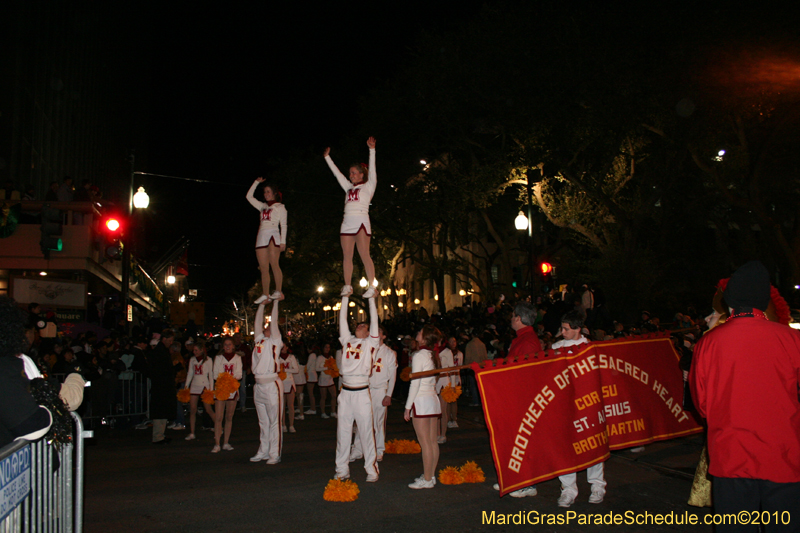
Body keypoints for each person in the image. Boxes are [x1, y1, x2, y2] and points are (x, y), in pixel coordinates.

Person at [690, 261, 800, 527]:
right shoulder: (792, 340)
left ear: (729, 301)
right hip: (783, 454)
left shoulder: (708, 343)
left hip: (731, 455)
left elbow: (701, 403)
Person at [551, 310, 606, 507]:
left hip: (588, 402)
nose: (563, 332)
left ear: (578, 329)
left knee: (593, 443)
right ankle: (568, 489)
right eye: (562, 328)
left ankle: (597, 486)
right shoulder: (556, 348)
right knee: (566, 446)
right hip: (565, 404)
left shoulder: (589, 348)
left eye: (566, 329)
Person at [323, 137, 378, 298]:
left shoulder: (369, 186)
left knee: (364, 254)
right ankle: (347, 286)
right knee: (347, 255)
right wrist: (327, 158)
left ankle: (372, 286)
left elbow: (373, 169)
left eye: (354, 173)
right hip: (347, 222)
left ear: (361, 174)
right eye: (350, 173)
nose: (351, 175)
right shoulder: (348, 187)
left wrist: (372, 150)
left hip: (361, 221)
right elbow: (337, 174)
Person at [334, 294, 380, 483]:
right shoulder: (347, 340)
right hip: (345, 392)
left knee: (366, 432)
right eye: (359, 325)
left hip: (361, 393)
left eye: (364, 326)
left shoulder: (371, 343)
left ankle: (371, 469)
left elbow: (375, 321)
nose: (360, 326)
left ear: (369, 333)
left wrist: (371, 299)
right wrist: (345, 297)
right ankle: (341, 469)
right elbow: (342, 320)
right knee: (343, 432)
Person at [351, 325, 397, 462]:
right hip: (365, 388)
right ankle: (358, 449)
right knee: (361, 419)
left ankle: (378, 449)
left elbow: (392, 376)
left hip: (379, 390)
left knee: (378, 422)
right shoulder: (367, 348)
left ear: (384, 336)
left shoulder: (389, 353)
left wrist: (388, 394)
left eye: (379, 332)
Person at [405, 325, 443, 489]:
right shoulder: (432, 355)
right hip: (432, 399)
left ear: (426, 337)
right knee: (432, 441)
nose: (418, 333)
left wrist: (407, 407)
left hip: (421, 400)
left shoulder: (420, 355)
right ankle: (430, 475)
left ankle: (427, 479)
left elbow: (415, 383)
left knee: (426, 443)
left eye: (420, 332)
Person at [250, 298, 284, 464]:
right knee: (263, 422)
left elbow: (274, 321)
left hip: (272, 385)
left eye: (269, 327)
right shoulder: (259, 340)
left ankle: (274, 453)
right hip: (258, 385)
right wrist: (262, 306)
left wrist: (275, 302)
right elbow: (257, 324)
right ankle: (263, 450)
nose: (266, 327)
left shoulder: (275, 341)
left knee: (274, 421)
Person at [246, 178, 287, 303]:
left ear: (274, 193)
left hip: (273, 235)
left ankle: (278, 291)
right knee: (263, 268)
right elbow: (249, 197)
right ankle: (265, 294)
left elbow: (284, 225)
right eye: (264, 192)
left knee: (274, 264)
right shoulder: (262, 206)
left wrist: (283, 242)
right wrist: (256, 183)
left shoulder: (280, 207)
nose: (266, 194)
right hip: (261, 236)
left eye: (268, 191)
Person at [211, 337, 243, 453]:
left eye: (230, 344)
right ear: (222, 346)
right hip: (220, 389)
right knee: (219, 417)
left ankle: (225, 442)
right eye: (225, 344)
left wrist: (230, 379)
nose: (227, 346)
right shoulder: (218, 358)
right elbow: (215, 374)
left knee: (229, 417)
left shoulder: (237, 358)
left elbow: (239, 374)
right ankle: (217, 444)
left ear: (233, 346)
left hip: (232, 390)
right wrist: (225, 379)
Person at [147, 329, 177, 445]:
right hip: (161, 386)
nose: (171, 343)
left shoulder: (160, 351)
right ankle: (158, 436)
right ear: (164, 339)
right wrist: (174, 369)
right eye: (170, 340)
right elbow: (162, 370)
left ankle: (159, 434)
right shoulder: (160, 352)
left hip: (161, 386)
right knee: (160, 412)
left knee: (161, 412)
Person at [183, 339, 215, 441]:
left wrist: (211, 389)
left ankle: (219, 427)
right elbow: (190, 373)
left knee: (208, 409)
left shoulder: (208, 360)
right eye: (194, 350)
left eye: (196, 350)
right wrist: (186, 386)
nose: (194, 352)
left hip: (204, 386)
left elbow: (211, 375)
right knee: (192, 410)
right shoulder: (192, 360)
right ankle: (192, 432)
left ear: (202, 350)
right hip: (194, 386)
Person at [436, 339, 455, 444]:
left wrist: (453, 385)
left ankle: (443, 434)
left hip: (444, 381)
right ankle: (437, 433)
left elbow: (452, 369)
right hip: (434, 381)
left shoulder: (447, 352)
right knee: (435, 410)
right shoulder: (431, 351)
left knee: (442, 410)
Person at [463, 330, 487, 406]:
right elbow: (485, 357)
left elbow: (467, 357)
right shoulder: (482, 344)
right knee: (480, 385)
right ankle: (482, 401)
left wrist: (466, 365)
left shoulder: (469, 344)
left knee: (473, 385)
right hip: (481, 366)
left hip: (472, 367)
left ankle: (476, 401)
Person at [279, 344, 299, 433]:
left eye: (284, 346)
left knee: (291, 405)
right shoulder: (276, 357)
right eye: (281, 346)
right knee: (282, 406)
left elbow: (296, 370)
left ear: (287, 347)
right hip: (281, 383)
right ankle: (283, 425)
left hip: (289, 382)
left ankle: (291, 425)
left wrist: (285, 370)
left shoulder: (291, 357)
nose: (283, 348)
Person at [315, 343, 337, 418]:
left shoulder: (331, 357)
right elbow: (316, 368)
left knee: (334, 395)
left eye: (329, 347)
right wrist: (326, 368)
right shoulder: (320, 357)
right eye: (326, 347)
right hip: (323, 379)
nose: (327, 349)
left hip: (330, 379)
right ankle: (323, 413)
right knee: (323, 397)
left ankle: (333, 412)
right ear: (323, 348)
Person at [445, 336, 462, 429]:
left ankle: (454, 419)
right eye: (451, 341)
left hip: (456, 379)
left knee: (454, 400)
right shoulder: (446, 353)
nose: (453, 343)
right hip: (447, 378)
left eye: (454, 341)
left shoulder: (460, 354)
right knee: (448, 400)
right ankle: (447, 419)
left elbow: (460, 366)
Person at [304, 346, 318, 415]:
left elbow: (308, 366)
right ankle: (312, 408)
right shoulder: (314, 355)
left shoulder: (312, 355)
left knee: (310, 393)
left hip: (311, 375)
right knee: (311, 393)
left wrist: (303, 370)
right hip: (312, 374)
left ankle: (313, 408)